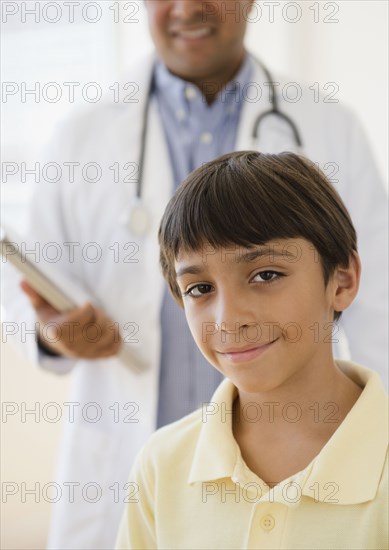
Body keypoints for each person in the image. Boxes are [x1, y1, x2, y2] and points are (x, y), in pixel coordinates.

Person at [1, 1, 387, 548]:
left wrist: (358, 445)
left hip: (318, 451)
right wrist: (53, 333)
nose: (187, 7)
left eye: (265, 273)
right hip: (142, 459)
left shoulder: (331, 128)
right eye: (200, 288)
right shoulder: (80, 136)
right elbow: (25, 286)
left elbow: (379, 310)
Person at [116, 151, 388, 549]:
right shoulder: (162, 465)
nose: (228, 319)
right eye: (200, 289)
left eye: (265, 275)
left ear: (342, 281)